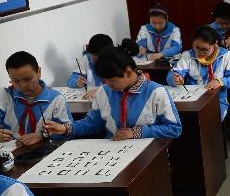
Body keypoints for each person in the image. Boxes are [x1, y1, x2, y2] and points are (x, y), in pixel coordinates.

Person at [44, 43, 182, 140]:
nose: (107, 85)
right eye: (104, 80)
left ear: (128, 72)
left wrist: (136, 133)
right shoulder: (104, 92)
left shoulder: (157, 92)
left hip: (148, 154)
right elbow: (93, 123)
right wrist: (65, 129)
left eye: (112, 81)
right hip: (113, 151)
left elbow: (174, 129)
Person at [0, 51, 71, 148]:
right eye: (16, 81)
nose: (23, 86)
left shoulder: (56, 99)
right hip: (13, 152)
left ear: (39, 72)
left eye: (28, 79)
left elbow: (68, 131)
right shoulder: (5, 95)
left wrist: (43, 136)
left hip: (46, 151)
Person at [167, 26, 230, 122]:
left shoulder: (226, 55)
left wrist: (220, 81)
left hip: (217, 101)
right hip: (191, 99)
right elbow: (173, 74)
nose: (201, 52)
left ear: (215, 44)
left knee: (209, 122)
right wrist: (175, 79)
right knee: (178, 120)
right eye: (197, 48)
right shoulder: (188, 55)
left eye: (205, 49)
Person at [67, 33, 114, 99]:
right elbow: (71, 80)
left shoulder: (116, 61)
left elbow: (120, 85)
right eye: (92, 57)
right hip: (90, 98)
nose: (92, 60)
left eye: (96, 59)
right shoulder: (86, 59)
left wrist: (101, 91)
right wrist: (76, 82)